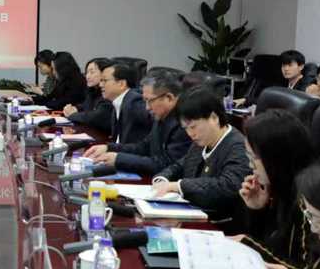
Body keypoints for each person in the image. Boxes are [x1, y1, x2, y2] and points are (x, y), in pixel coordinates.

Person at [237, 109, 320, 269]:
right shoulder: (280, 187)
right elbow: (273, 248)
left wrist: (249, 245)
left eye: (254, 158)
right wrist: (258, 210)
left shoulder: (310, 199)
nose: (250, 165)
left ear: (275, 158)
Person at [151, 86, 248, 223]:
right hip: (192, 214)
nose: (190, 133)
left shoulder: (238, 146)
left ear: (214, 118)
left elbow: (227, 186)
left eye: (193, 127)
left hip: (219, 224)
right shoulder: (201, 141)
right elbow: (180, 165)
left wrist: (178, 186)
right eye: (186, 128)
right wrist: (162, 179)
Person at [85, 72, 191, 176]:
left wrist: (119, 159)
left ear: (169, 97)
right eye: (145, 101)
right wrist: (109, 148)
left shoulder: (185, 123)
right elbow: (143, 147)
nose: (147, 108)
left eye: (150, 101)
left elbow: (166, 164)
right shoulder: (162, 114)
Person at [97, 61, 151, 144]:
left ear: (121, 84)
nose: (100, 85)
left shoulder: (134, 101)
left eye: (105, 80)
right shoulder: (118, 101)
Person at [63, 57, 113, 132]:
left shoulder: (108, 93)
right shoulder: (92, 90)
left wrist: (72, 114)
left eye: (92, 72)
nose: (88, 76)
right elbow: (87, 105)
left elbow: (96, 117)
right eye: (87, 72)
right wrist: (75, 108)